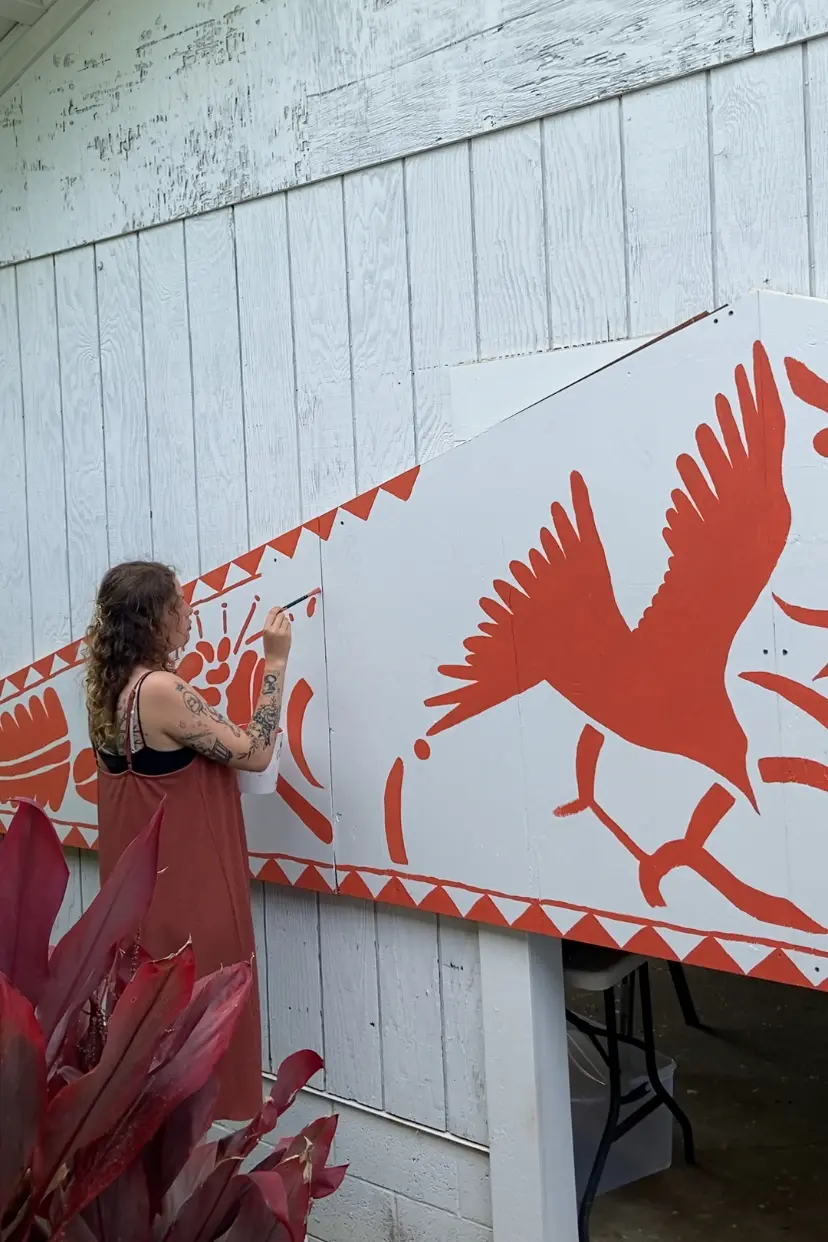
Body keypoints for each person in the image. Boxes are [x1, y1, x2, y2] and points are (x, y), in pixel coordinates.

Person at [85, 560, 291, 1120]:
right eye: (178, 603)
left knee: (152, 1047)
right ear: (153, 618)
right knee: (199, 1042)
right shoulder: (159, 690)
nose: (189, 611)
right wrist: (275, 661)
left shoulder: (109, 692)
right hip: (190, 903)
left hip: (142, 903)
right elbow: (255, 752)